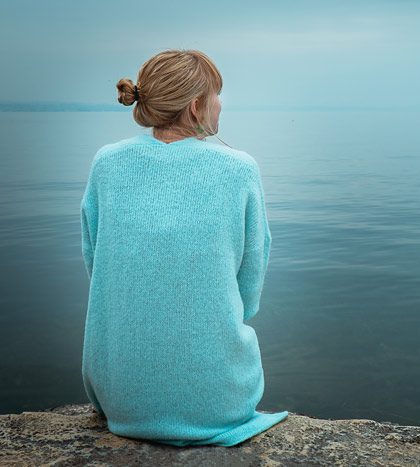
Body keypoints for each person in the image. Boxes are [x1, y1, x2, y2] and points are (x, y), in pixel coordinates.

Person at [80, 49, 288, 447]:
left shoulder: (106, 162)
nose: (221, 104)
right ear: (196, 106)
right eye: (217, 95)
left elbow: (96, 261)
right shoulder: (239, 168)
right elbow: (251, 277)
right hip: (217, 404)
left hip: (121, 400)